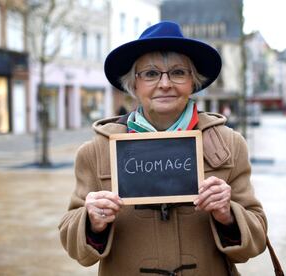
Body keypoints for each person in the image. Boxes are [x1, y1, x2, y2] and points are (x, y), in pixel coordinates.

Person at [59, 21, 267, 276]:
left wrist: (228, 215)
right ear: (133, 85)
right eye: (150, 73)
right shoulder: (95, 151)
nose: (165, 83)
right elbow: (73, 243)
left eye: (178, 72)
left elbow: (256, 240)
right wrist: (91, 222)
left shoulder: (230, 144)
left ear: (193, 81)